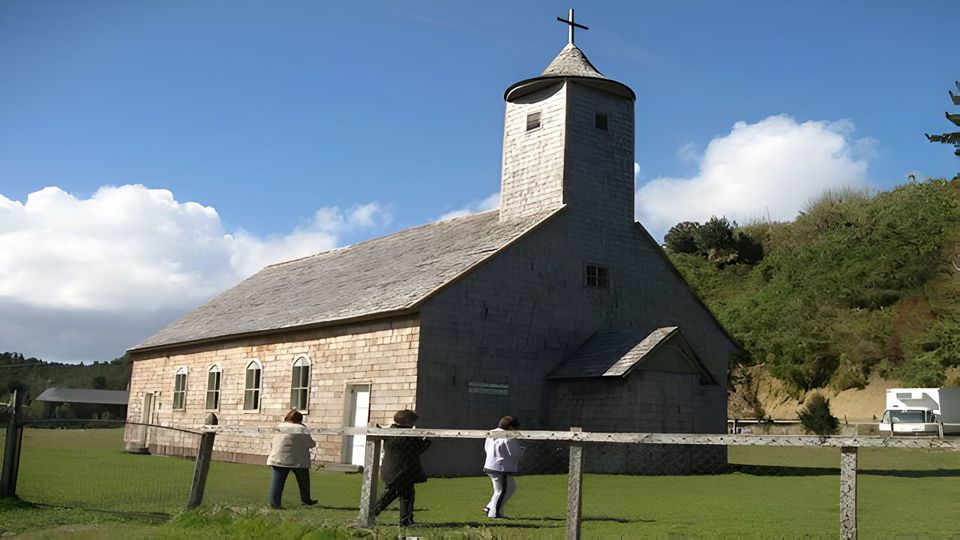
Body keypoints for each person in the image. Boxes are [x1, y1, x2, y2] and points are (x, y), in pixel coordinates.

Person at [373, 409, 431, 527]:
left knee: (405, 496)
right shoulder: (406, 435)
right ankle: (370, 515)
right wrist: (426, 441)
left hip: (394, 472)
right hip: (400, 473)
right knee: (391, 497)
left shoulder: (390, 433)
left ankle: (405, 521)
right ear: (408, 422)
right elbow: (416, 450)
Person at [267, 409, 318, 509]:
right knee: (303, 481)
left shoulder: (279, 427)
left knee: (277, 482)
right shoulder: (301, 429)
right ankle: (306, 499)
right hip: (298, 459)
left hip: (278, 457)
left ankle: (275, 503)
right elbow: (309, 443)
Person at [483, 415, 522, 519]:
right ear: (511, 428)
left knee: (506, 488)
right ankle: (495, 513)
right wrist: (521, 451)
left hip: (490, 465)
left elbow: (486, 448)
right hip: (501, 468)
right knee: (502, 491)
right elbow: (515, 453)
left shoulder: (492, 433)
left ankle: (489, 507)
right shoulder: (508, 436)